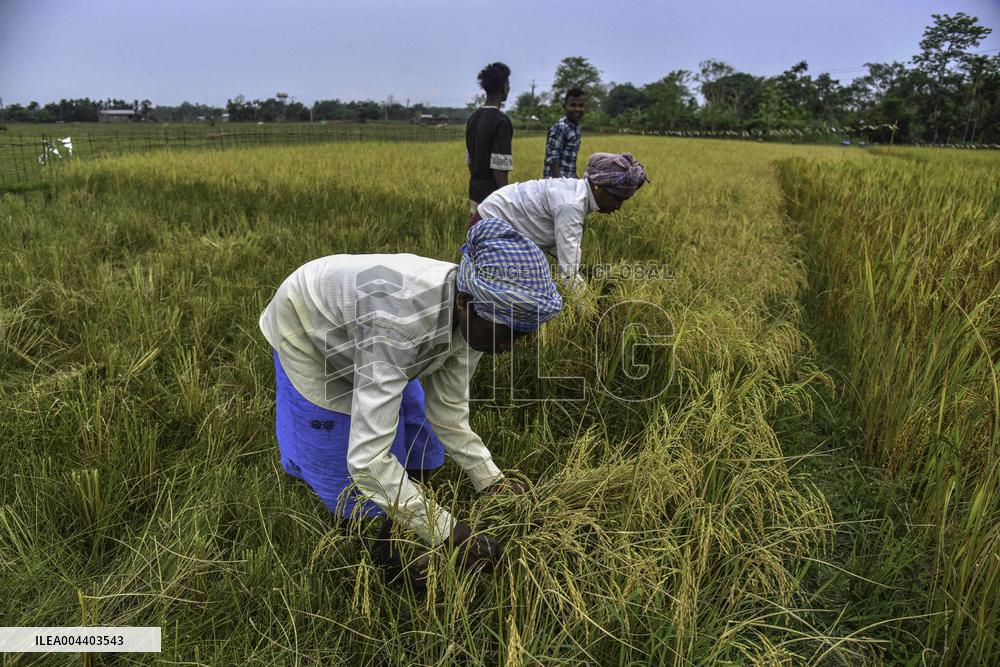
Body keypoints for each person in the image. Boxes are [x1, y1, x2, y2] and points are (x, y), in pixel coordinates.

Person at [259, 218, 562, 584]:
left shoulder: (480, 315)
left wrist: (492, 480)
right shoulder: (401, 323)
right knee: (347, 468)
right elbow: (367, 460)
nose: (507, 347)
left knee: (419, 432)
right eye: (505, 333)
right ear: (465, 304)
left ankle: (403, 511)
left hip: (375, 334)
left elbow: (448, 412)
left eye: (519, 336)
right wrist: (452, 535)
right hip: (309, 324)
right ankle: (373, 560)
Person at [470, 152, 649, 287]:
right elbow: (568, 274)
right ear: (598, 187)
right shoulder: (571, 205)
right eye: (616, 199)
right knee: (519, 291)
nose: (618, 207)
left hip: (492, 219)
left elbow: (563, 249)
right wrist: (590, 311)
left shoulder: (577, 193)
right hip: (488, 226)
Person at [466, 62, 514, 212]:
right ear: (505, 86)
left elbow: (469, 160)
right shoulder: (501, 121)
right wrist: (509, 201)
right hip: (493, 198)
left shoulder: (473, 118)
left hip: (474, 191)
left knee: (476, 233)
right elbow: (499, 168)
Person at [543, 88, 586, 178]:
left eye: (581, 105)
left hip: (568, 181)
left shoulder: (576, 128)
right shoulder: (560, 127)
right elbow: (552, 158)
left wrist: (576, 180)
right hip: (555, 184)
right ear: (564, 107)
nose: (577, 109)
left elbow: (570, 163)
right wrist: (560, 183)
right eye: (573, 105)